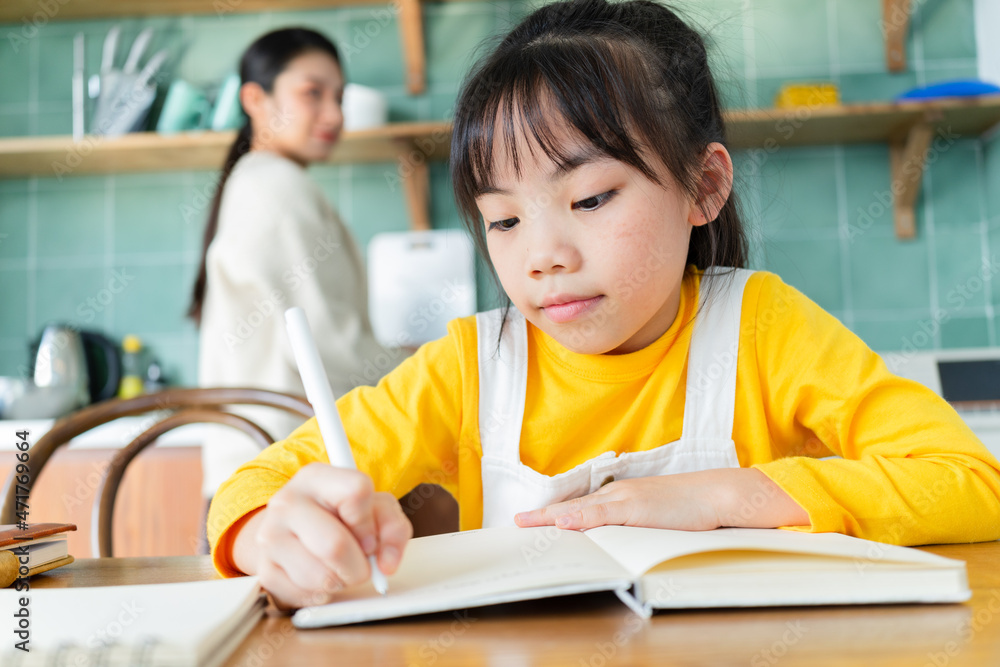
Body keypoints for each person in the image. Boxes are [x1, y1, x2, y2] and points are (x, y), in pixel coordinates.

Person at [206, 0, 1000, 609]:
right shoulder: (470, 366)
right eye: (505, 220)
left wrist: (733, 495)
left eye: (589, 199)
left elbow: (971, 479)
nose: (543, 253)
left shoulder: (762, 327)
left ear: (704, 186)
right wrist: (264, 533)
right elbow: (252, 486)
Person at [190, 28, 404, 519]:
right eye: (313, 93)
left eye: (340, 97)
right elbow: (333, 346)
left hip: (253, 481)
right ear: (255, 99)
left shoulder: (257, 181)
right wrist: (430, 369)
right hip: (282, 482)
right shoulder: (276, 188)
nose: (335, 114)